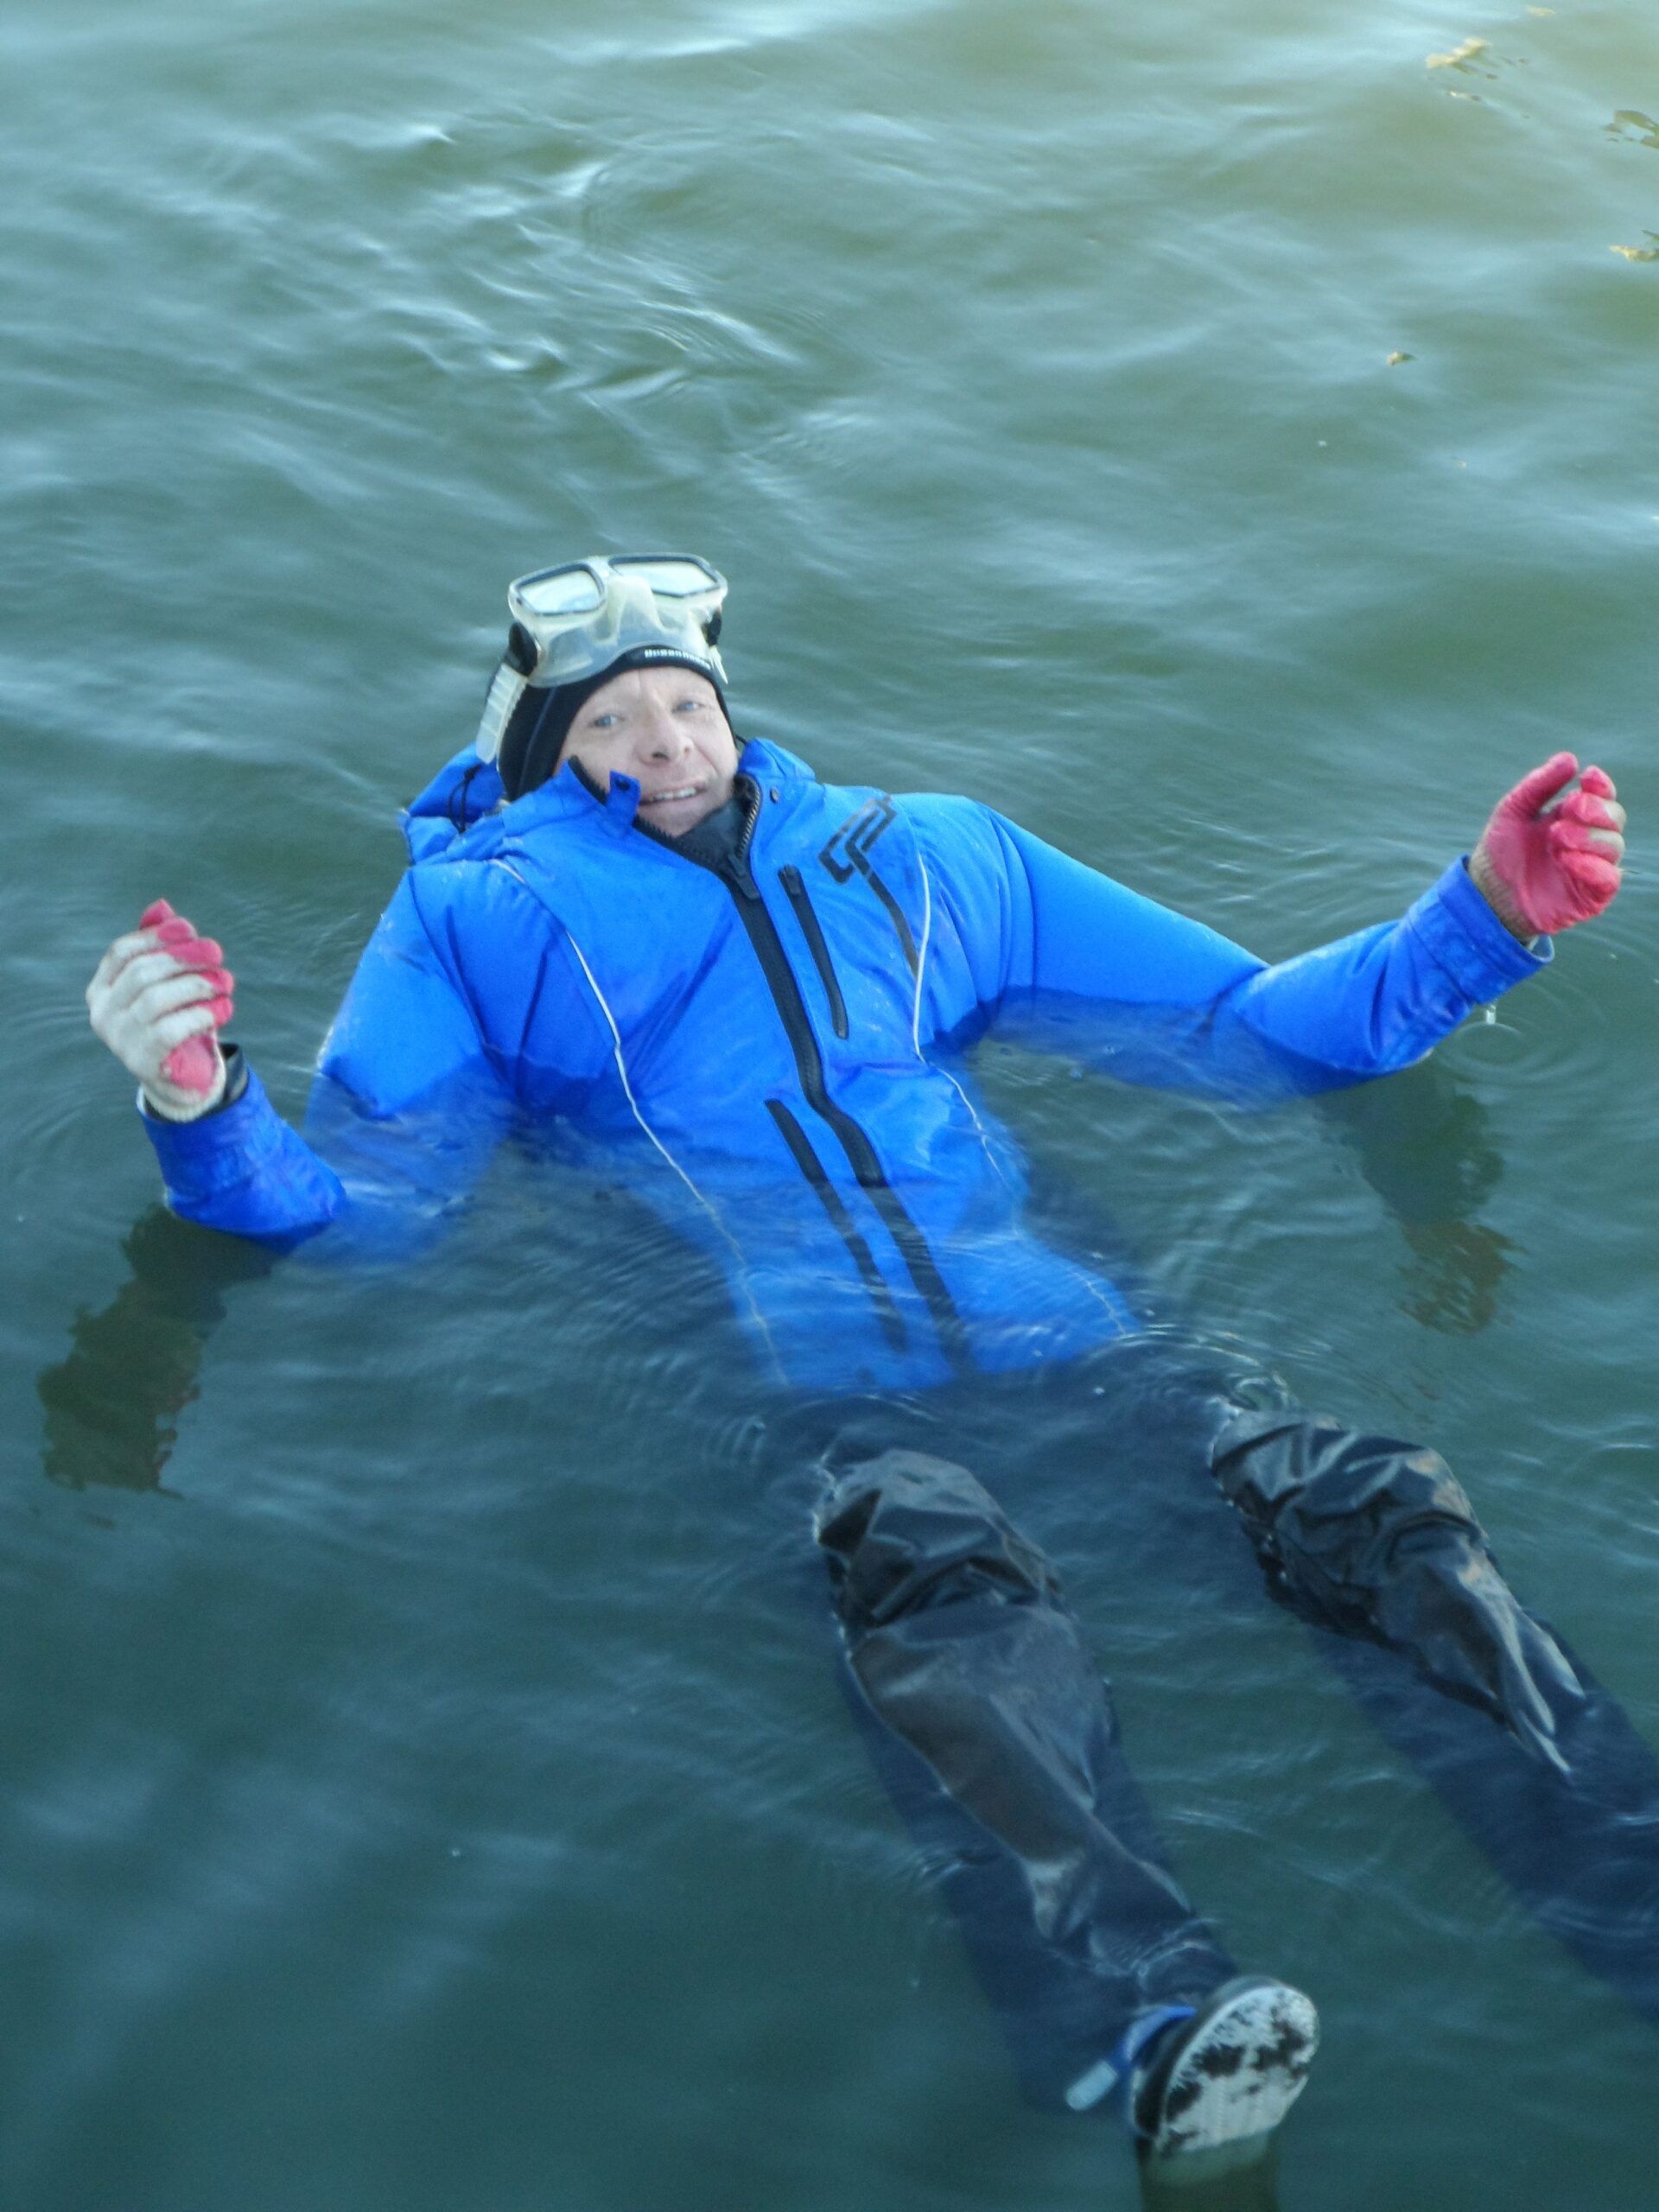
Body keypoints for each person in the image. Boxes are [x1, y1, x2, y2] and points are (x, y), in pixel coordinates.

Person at [86, 554, 1637, 2183]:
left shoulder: (927, 855)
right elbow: (373, 1213)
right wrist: (204, 1109)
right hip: (822, 1390)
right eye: (610, 719)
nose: (666, 740)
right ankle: (1153, 2019)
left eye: (686, 702)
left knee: (1368, 1505)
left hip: (1072, 1339)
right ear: (543, 755)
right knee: (943, 1587)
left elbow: (1251, 1031)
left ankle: (1628, 1871)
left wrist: (1476, 924)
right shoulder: (479, 921)